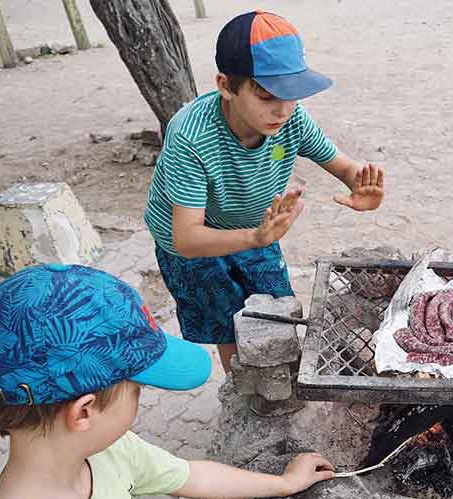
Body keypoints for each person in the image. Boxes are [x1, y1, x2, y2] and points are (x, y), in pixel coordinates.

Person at [0, 264, 335, 499]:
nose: (139, 400)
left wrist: (283, 484)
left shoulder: (107, 453)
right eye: (138, 390)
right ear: (84, 411)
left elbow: (191, 477)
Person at [144, 11, 385, 373]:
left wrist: (360, 186)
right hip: (194, 243)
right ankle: (241, 390)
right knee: (227, 323)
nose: (283, 110)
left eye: (292, 94)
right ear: (226, 86)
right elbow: (187, 238)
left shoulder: (290, 119)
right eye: (268, 95)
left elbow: (345, 167)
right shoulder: (190, 138)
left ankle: (281, 381)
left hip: (257, 228)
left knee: (276, 308)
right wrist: (254, 237)